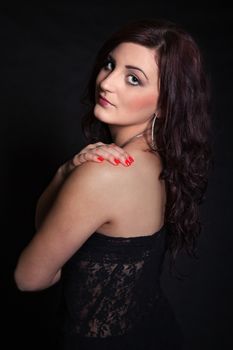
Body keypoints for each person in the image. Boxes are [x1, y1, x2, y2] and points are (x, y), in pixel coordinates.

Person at [14, 18, 212, 349]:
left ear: (164, 104)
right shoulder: (161, 161)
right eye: (110, 64)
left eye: (133, 79)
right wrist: (64, 174)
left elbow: (28, 278)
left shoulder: (105, 173)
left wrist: (72, 178)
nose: (107, 82)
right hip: (157, 331)